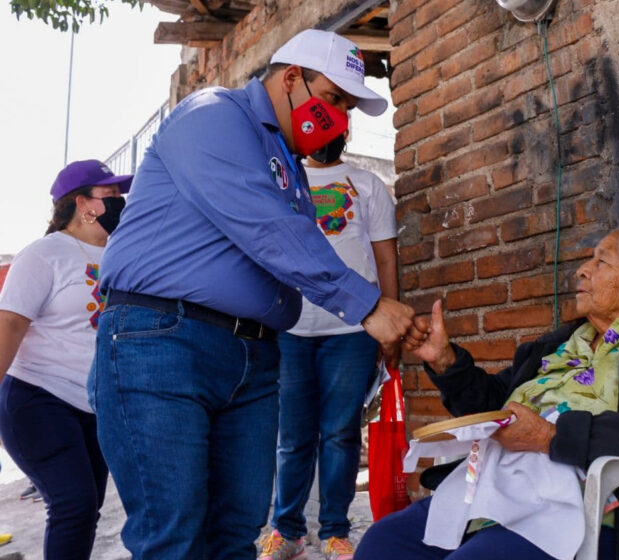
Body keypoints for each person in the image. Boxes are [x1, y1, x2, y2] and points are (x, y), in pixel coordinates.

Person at [90, 28, 425, 560]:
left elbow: (293, 248)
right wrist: (367, 305)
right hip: (164, 343)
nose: (339, 118)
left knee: (234, 535)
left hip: (252, 355)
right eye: (333, 99)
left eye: (347, 109)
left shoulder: (291, 168)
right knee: (173, 536)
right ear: (291, 78)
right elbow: (266, 227)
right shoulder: (213, 114)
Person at [355, 225, 619, 560]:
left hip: (595, 509)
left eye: (601, 262)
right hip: (498, 491)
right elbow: (495, 407)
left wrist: (552, 437)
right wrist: (445, 361)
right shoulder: (561, 343)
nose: (582, 271)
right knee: (383, 543)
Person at [259, 148, 399, 560]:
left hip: (353, 327)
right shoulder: (282, 181)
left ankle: (335, 531)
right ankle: (287, 532)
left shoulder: (368, 183)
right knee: (294, 437)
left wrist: (388, 322)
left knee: (340, 433)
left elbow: (386, 258)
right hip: (290, 327)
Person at [0, 160, 131, 560]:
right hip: (38, 397)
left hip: (94, 405)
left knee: (86, 508)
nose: (120, 202)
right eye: (110, 196)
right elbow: (9, 324)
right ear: (82, 204)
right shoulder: (45, 253)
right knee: (73, 503)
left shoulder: (122, 256)